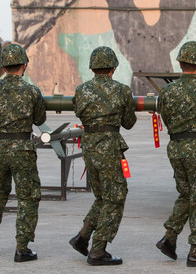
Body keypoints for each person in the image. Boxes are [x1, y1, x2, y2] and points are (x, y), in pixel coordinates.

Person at [155, 41, 196, 268]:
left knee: (185, 194)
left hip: (176, 148)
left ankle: (169, 238)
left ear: (181, 63)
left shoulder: (166, 91)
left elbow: (165, 118)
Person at [0, 43, 46, 263]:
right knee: (28, 196)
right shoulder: (31, 90)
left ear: (4, 65)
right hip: (22, 149)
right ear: (24, 64)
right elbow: (39, 119)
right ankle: (21, 247)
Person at [69, 46, 136, 265]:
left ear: (92, 67)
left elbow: (79, 111)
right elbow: (129, 122)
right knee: (115, 197)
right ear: (113, 68)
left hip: (88, 147)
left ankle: (83, 237)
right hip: (109, 148)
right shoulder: (122, 90)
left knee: (102, 197)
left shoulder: (81, 90)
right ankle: (98, 249)